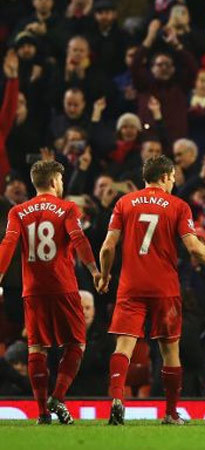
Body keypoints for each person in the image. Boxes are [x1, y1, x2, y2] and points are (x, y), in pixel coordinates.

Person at [98, 155, 205, 425]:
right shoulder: (177, 206)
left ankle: (117, 398)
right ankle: (171, 413)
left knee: (124, 345)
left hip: (131, 285)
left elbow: (107, 246)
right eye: (173, 177)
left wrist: (104, 276)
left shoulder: (124, 203)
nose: (174, 182)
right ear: (164, 177)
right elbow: (194, 247)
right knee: (169, 351)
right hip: (164, 287)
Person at [0, 160, 98, 424]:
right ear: (55, 181)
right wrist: (94, 270)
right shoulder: (67, 208)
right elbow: (79, 239)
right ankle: (58, 395)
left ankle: (42, 412)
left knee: (37, 348)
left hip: (32, 289)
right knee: (76, 343)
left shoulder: (18, 212)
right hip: (63, 286)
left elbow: (8, 244)